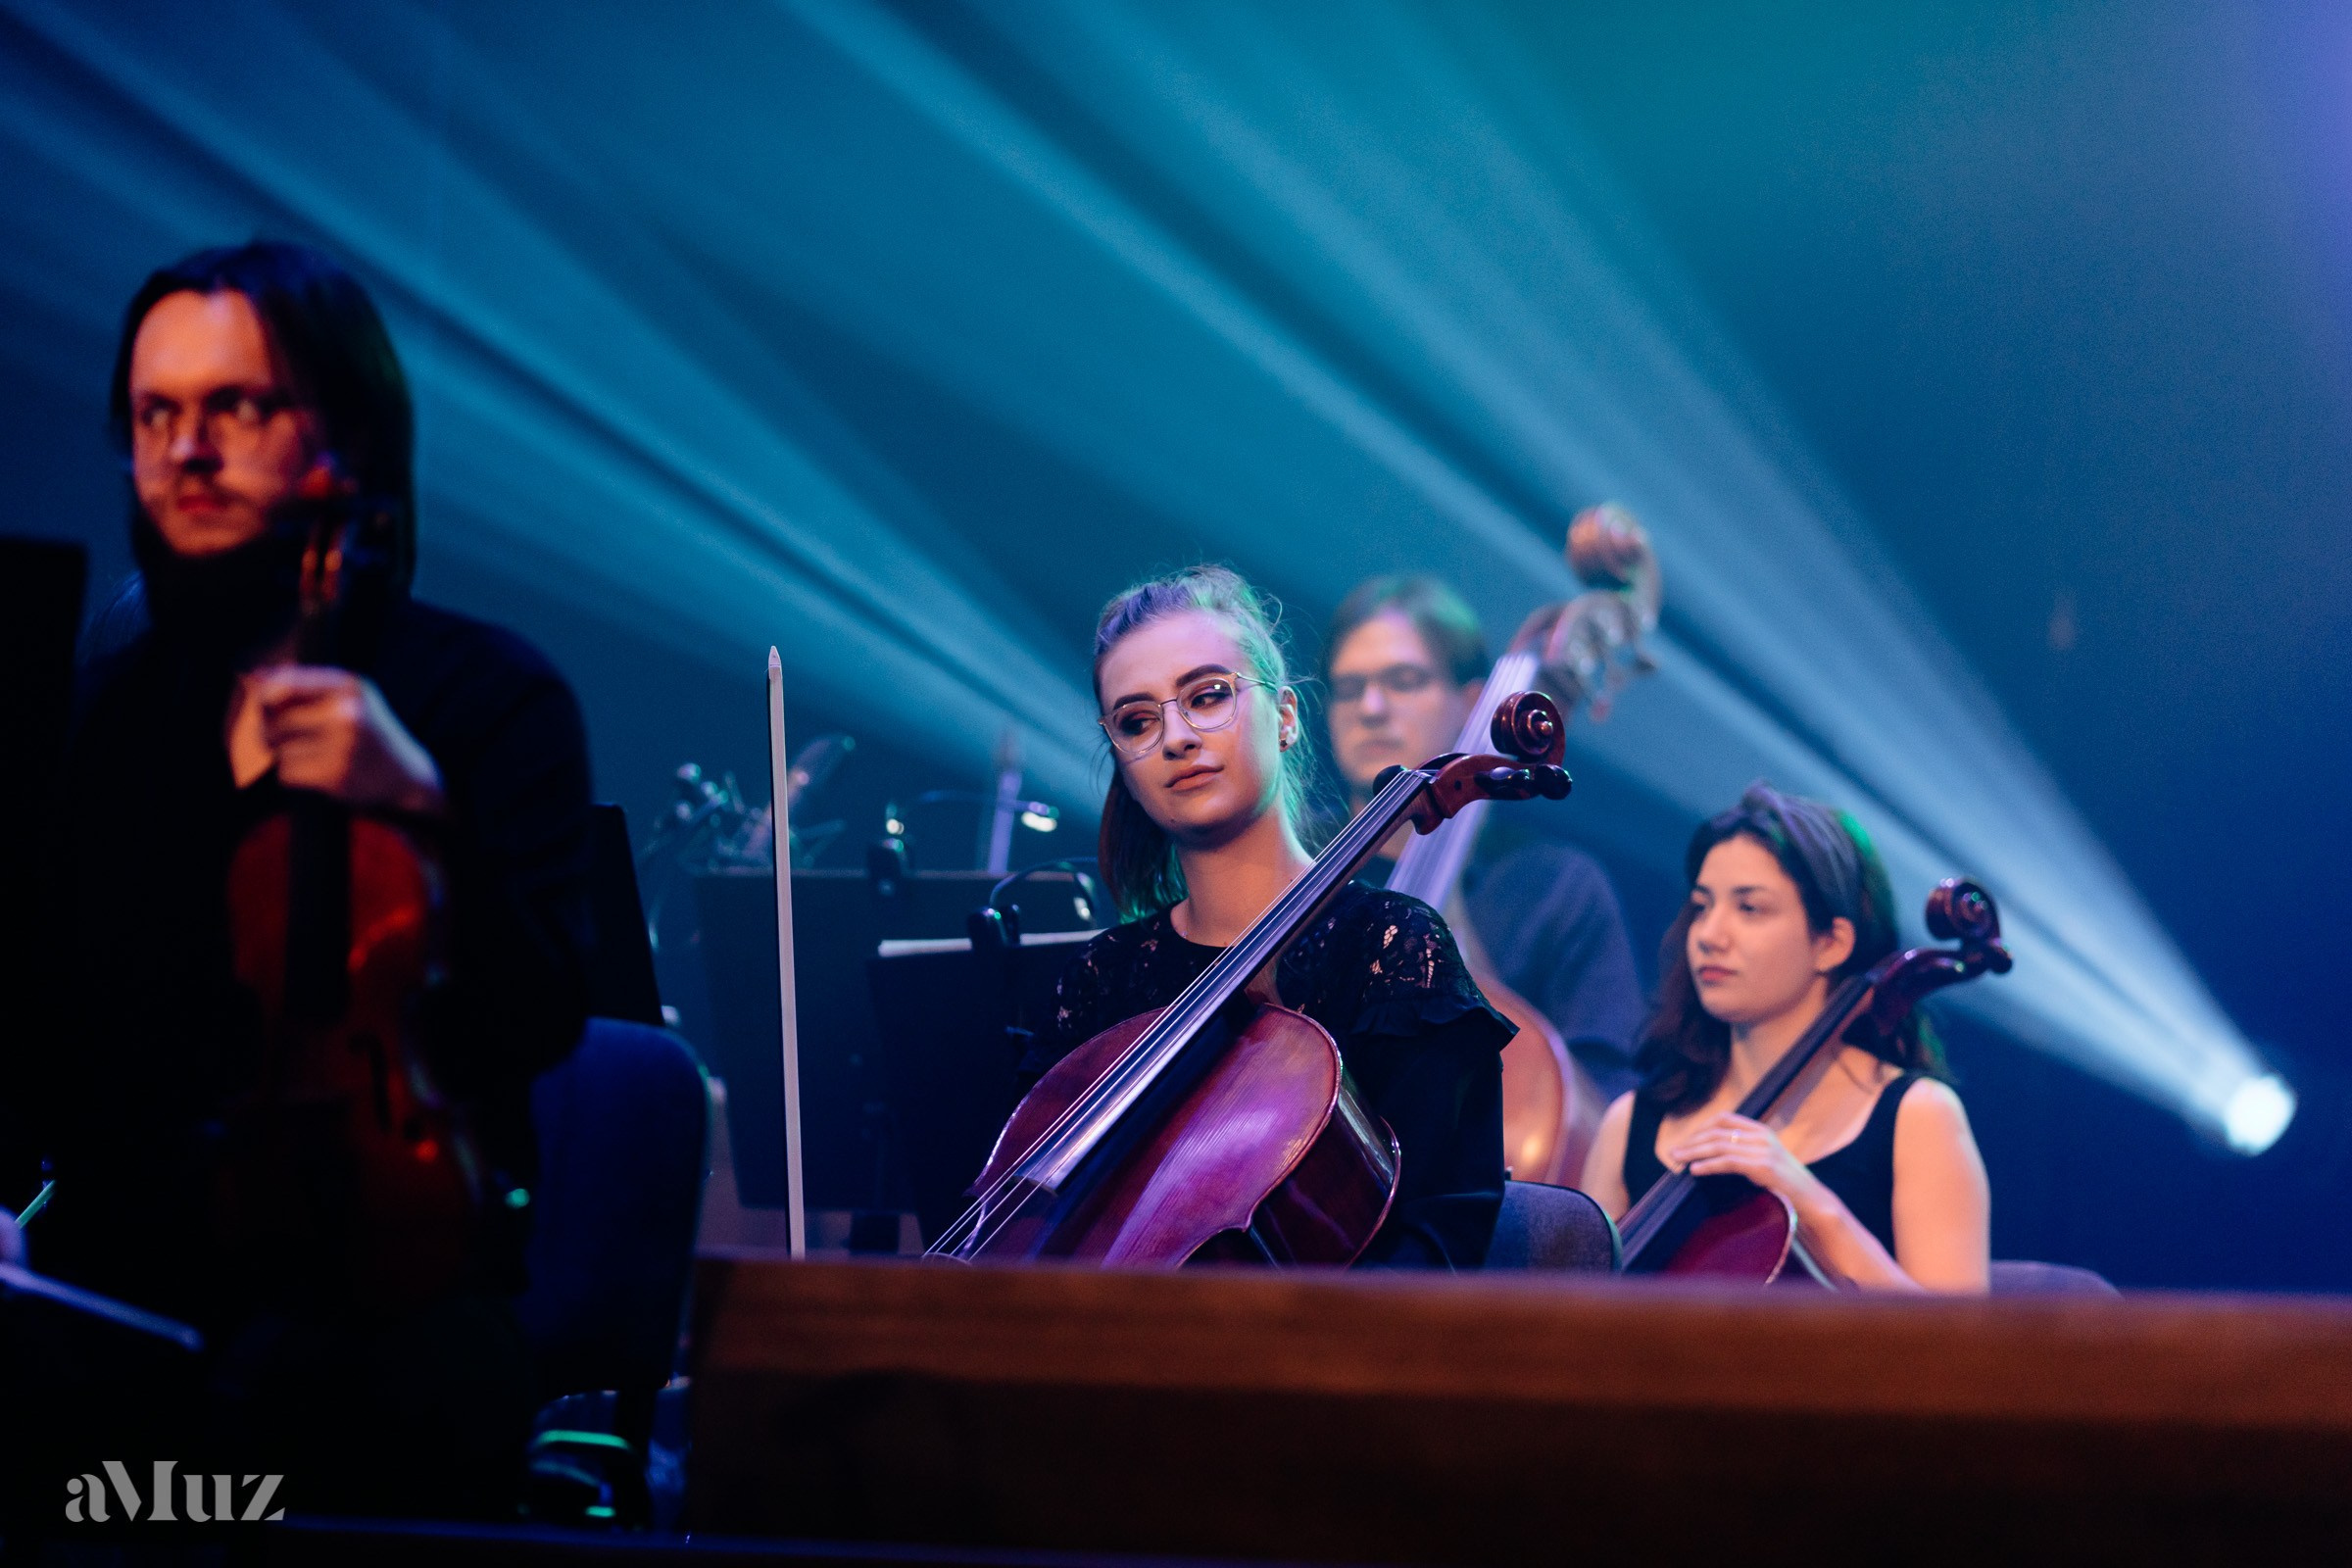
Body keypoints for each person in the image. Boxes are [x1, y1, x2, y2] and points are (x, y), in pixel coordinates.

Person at [5, 240, 594, 1515]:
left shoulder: (487, 700)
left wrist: (418, 810)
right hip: (121, 1296)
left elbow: (542, 1019)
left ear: (347, 442)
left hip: (388, 1318)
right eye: (156, 416)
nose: (185, 453)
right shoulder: (107, 713)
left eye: (236, 409)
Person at [1020, 564, 1510, 1269]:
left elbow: (1435, 1254)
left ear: (1285, 716)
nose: (1177, 737)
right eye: (1137, 720)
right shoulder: (1100, 985)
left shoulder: (1391, 952)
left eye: (1208, 696)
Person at [1579, 783, 1990, 1292]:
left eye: (1749, 909)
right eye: (1703, 906)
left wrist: (1812, 1205)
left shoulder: (1918, 1116)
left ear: (1832, 943)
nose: (1710, 934)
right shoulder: (1631, 1124)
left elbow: (1959, 1351)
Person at [1323, 573, 1645, 1095]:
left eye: (1403, 680)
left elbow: (1606, 1113)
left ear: (1475, 702)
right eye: (1349, 689)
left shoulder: (1557, 890)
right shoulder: (1299, 872)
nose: (1370, 709)